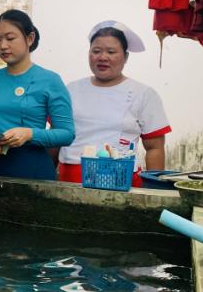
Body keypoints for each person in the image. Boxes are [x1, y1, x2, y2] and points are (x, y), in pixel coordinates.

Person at [58, 21, 171, 186]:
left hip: (121, 183)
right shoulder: (71, 90)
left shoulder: (143, 94)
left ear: (126, 57)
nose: (102, 57)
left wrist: (155, 189)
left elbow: (154, 147)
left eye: (111, 52)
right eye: (96, 51)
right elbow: (56, 137)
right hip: (71, 182)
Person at [0, 10, 74, 180]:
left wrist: (30, 134)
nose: (3, 46)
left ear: (30, 38)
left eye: (10, 38)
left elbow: (67, 133)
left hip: (34, 170)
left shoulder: (50, 80)